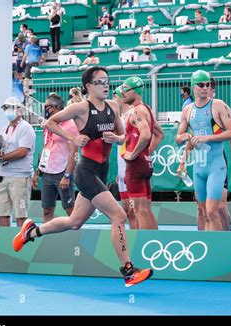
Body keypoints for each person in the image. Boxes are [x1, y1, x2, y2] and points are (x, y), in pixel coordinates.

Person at [12, 66, 153, 287]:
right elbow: (48, 122)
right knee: (119, 216)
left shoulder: (114, 106)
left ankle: (31, 232)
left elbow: (123, 135)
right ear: (88, 86)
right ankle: (128, 271)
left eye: (107, 80)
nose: (106, 85)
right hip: (85, 171)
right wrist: (73, 138)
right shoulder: (80, 108)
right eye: (100, 82)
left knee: (74, 222)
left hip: (102, 170)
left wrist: (116, 139)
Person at [175, 70, 231, 231]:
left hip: (216, 164)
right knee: (202, 211)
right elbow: (179, 138)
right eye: (201, 85)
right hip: (199, 166)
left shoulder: (218, 105)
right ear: (193, 87)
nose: (205, 88)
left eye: (208, 85)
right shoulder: (188, 110)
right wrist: (183, 158)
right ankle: (204, 246)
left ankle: (223, 241)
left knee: (214, 210)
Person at [121, 76, 164, 230]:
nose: (122, 92)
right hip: (145, 164)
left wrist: (133, 154)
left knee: (138, 210)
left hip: (135, 166)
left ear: (136, 91)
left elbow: (146, 134)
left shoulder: (136, 111)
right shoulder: (146, 109)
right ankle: (154, 241)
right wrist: (147, 153)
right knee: (145, 209)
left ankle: (145, 244)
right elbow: (159, 134)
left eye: (125, 89)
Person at [0, 97, 36, 227]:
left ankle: (21, 244)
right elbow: (1, 150)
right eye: (6, 108)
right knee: (2, 213)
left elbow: (22, 151)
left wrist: (0, 158)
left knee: (21, 215)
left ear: (19, 110)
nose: (8, 111)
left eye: (11, 108)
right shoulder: (4, 129)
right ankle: (5, 243)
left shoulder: (26, 128)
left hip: (20, 176)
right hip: (2, 176)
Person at [32, 94, 78, 223]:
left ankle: (77, 239)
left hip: (62, 173)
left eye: (46, 107)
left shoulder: (70, 125)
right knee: (47, 210)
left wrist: (67, 175)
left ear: (55, 108)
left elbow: (74, 152)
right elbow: (45, 148)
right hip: (47, 173)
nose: (44, 110)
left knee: (70, 210)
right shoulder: (48, 125)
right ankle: (46, 239)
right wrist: (37, 172)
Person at [112, 86, 137, 229]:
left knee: (135, 211)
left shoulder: (134, 115)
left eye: (115, 97)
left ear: (122, 97)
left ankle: (140, 240)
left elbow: (150, 136)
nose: (114, 100)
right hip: (122, 171)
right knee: (127, 211)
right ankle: (133, 238)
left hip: (131, 169)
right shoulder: (120, 119)